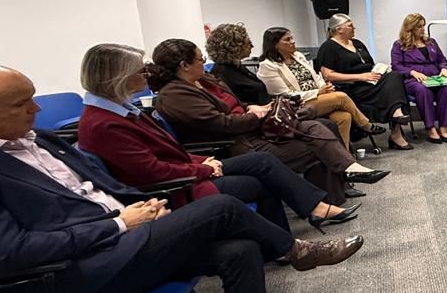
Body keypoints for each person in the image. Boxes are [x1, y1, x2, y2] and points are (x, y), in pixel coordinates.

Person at [0, 64, 364, 293]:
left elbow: (107, 186)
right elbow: (9, 253)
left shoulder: (42, 139)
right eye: (21, 103)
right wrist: (119, 223)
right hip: (71, 276)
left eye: (33, 98)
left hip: (123, 241)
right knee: (221, 207)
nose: (35, 109)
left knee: (239, 249)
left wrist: (145, 207)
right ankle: (297, 251)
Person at [77, 43, 359, 234]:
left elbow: (167, 149)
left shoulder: (123, 110)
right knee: (270, 171)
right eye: (140, 71)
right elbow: (150, 170)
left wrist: (201, 161)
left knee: (271, 158)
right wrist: (202, 167)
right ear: (118, 77)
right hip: (178, 184)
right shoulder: (106, 123)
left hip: (194, 164)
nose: (146, 75)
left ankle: (311, 214)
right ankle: (294, 234)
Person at [149, 38, 389, 206]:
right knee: (318, 142)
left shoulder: (204, 80)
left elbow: (235, 103)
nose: (204, 62)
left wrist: (251, 108)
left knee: (318, 125)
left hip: (254, 129)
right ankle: (333, 193)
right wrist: (255, 115)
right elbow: (221, 124)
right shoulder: (175, 95)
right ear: (184, 65)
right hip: (239, 143)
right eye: (200, 59)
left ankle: (344, 178)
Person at [256, 26, 387, 151]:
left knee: (344, 117)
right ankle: (365, 125)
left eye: (292, 38)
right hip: (296, 104)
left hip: (319, 97)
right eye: (287, 39)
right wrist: (317, 92)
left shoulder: (298, 56)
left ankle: (343, 156)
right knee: (340, 97)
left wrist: (324, 87)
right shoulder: (268, 66)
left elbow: (316, 76)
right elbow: (284, 94)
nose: (293, 41)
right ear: (275, 45)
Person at [314, 14, 413, 150]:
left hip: (371, 82)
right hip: (353, 87)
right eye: (350, 25)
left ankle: (397, 116)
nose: (354, 28)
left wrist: (377, 71)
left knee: (395, 76)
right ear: (339, 29)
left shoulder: (357, 43)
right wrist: (361, 77)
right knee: (392, 92)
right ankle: (396, 132)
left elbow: (369, 64)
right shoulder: (328, 47)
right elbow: (328, 75)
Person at [391, 13, 447, 144]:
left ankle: (444, 126)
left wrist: (443, 69)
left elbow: (442, 60)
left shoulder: (431, 42)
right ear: (410, 28)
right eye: (419, 26)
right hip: (413, 80)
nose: (423, 29)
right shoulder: (399, 45)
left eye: (423, 26)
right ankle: (430, 128)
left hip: (434, 78)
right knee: (423, 91)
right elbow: (396, 66)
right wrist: (412, 72)